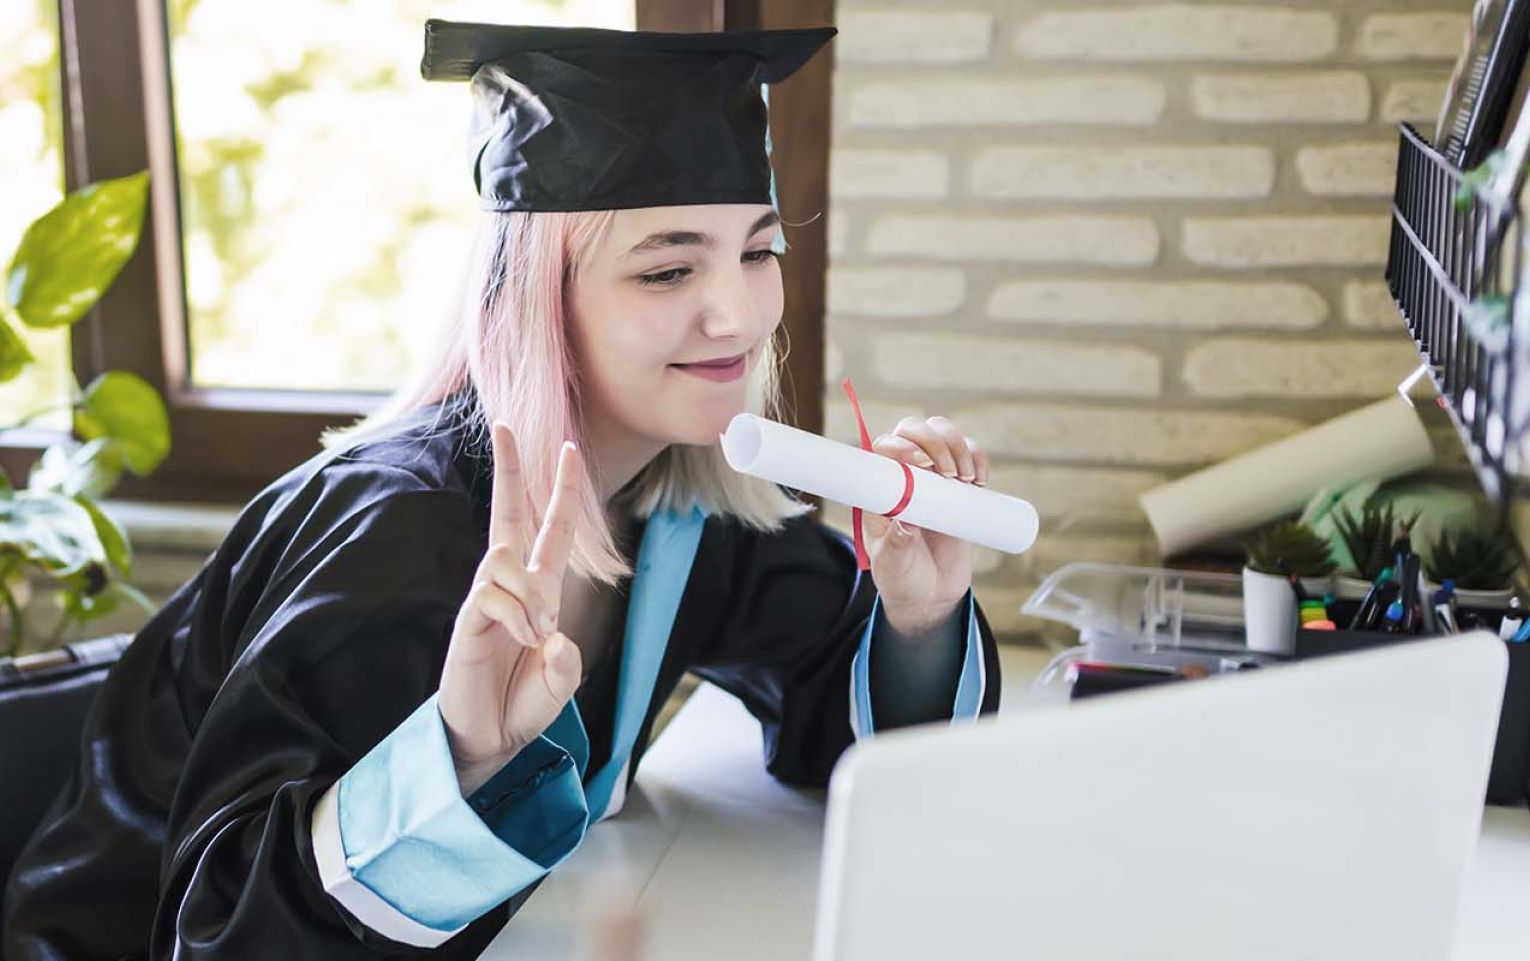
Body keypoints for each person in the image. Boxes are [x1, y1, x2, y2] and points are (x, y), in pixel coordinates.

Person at [2, 20, 1001, 959]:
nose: (737, 315)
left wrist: (918, 616)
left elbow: (841, 716)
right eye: (666, 272)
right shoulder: (399, 543)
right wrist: (459, 755)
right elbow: (215, 931)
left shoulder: (679, 498)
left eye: (758, 248)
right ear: (538, 295)